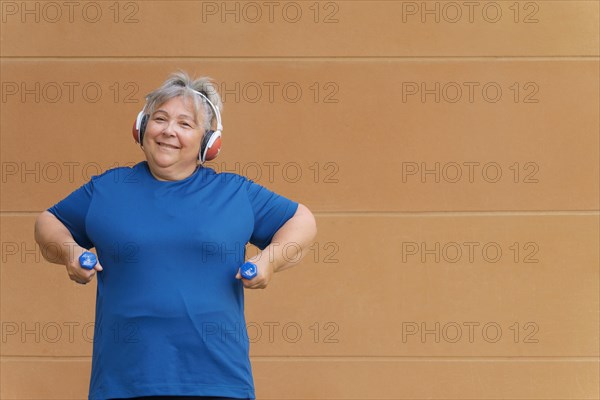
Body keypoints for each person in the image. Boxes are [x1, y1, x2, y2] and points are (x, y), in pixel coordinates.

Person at [34, 71, 318, 400]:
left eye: (185, 124)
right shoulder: (108, 189)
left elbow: (302, 221)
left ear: (208, 142)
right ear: (142, 128)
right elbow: (48, 222)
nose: (169, 130)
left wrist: (270, 260)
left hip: (218, 382)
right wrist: (70, 252)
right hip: (123, 382)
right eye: (160, 119)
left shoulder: (234, 193)